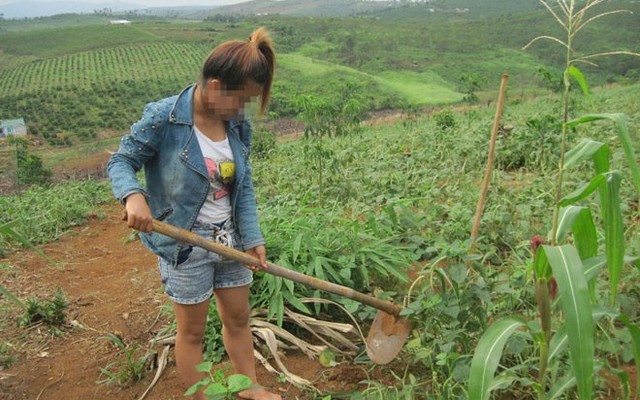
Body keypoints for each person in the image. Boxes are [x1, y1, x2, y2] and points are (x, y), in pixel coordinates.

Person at [107, 27, 281, 400]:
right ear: (215, 87)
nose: (243, 112)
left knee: (237, 319)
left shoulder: (237, 125)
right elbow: (121, 161)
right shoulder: (164, 118)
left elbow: (243, 187)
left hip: (229, 238)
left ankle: (248, 388)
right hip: (182, 244)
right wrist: (132, 196)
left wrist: (252, 238)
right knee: (192, 333)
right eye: (241, 101)